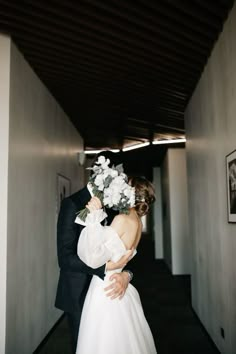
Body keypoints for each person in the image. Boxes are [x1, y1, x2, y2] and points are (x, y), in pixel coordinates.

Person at [55, 152, 133, 353]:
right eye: (116, 179)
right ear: (100, 175)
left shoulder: (113, 207)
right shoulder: (72, 204)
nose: (119, 185)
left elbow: (122, 251)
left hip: (105, 294)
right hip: (78, 293)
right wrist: (105, 268)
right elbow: (64, 258)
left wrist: (127, 274)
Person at [75, 176, 157, 354]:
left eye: (124, 187)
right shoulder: (137, 222)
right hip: (117, 282)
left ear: (130, 193)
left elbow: (93, 257)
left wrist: (93, 219)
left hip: (105, 287)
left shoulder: (122, 219)